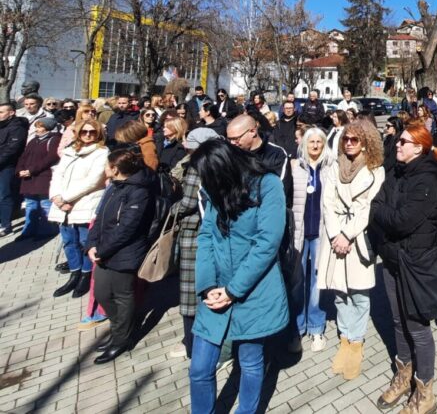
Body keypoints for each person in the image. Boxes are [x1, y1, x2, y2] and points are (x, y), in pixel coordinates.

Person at [188, 140, 288, 414]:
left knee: (251, 361)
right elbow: (207, 235)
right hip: (216, 287)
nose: (204, 183)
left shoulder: (268, 185)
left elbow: (267, 242)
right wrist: (208, 285)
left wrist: (233, 290)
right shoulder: (215, 188)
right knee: (199, 368)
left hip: (255, 288)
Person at [371, 121, 437, 413]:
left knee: (417, 327)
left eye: (403, 142)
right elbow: (377, 203)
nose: (397, 145)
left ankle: (425, 391)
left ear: (419, 147)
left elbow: (402, 220)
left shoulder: (427, 179)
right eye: (398, 141)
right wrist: (383, 212)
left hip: (415, 263)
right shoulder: (396, 171)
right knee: (397, 321)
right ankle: (403, 376)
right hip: (391, 259)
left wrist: (382, 213)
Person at [318, 119, 385, 380]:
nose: (348, 143)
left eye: (354, 140)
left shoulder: (375, 170)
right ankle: (345, 337)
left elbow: (369, 206)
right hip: (335, 236)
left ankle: (356, 341)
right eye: (346, 139)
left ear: (366, 142)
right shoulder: (335, 166)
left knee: (358, 292)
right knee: (339, 291)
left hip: (358, 237)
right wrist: (336, 234)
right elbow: (328, 201)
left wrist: (347, 234)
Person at [86, 148, 157, 364]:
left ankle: (121, 339)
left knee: (121, 295)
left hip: (125, 252)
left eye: (107, 165)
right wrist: (91, 244)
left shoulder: (139, 191)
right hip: (104, 251)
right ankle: (121, 330)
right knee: (102, 292)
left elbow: (128, 227)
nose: (104, 169)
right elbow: (100, 218)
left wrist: (103, 250)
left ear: (115, 169)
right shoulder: (114, 187)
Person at [168, 127, 221, 360]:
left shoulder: (196, 168)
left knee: (191, 291)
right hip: (214, 232)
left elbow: (189, 202)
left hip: (194, 232)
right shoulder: (221, 163)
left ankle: (193, 345)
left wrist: (169, 210)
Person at [49, 119, 110, 298]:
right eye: (84, 132)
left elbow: (92, 181)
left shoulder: (102, 152)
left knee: (85, 242)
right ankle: (74, 272)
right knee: (69, 241)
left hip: (85, 202)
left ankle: (86, 274)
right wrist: (57, 197)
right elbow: (57, 175)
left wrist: (67, 198)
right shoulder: (69, 151)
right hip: (62, 203)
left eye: (92, 132)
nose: (88, 135)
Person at [292, 127, 332, 352]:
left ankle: (316, 327)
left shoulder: (330, 168)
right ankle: (297, 328)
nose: (315, 145)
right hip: (299, 233)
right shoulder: (295, 167)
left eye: (319, 141)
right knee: (298, 282)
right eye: (311, 142)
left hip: (320, 233)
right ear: (304, 144)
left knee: (317, 282)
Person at [15, 116, 62, 240]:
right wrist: (20, 170)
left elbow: (51, 158)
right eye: (36, 126)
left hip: (43, 177)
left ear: (48, 128)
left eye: (40, 126)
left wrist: (31, 170)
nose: (37, 129)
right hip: (28, 178)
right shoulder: (33, 140)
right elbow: (23, 156)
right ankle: (28, 230)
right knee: (31, 205)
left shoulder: (54, 139)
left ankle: (46, 230)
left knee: (45, 204)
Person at [0, 102, 28, 236]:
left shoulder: (17, 127)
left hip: (8, 166)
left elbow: (12, 149)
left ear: (11, 113)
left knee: (4, 195)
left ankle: (6, 225)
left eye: (1, 112)